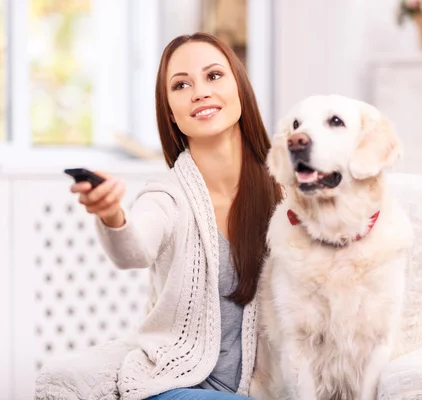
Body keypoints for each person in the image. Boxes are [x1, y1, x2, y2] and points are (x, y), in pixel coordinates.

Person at [70, 32, 282, 400]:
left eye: (214, 76)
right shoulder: (167, 196)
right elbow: (133, 249)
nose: (199, 91)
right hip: (175, 387)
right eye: (181, 85)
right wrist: (111, 214)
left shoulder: (284, 190)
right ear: (170, 111)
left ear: (240, 89)